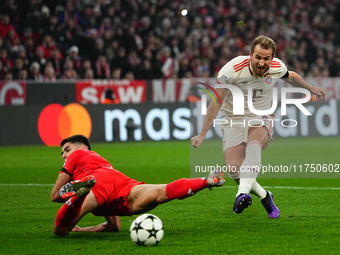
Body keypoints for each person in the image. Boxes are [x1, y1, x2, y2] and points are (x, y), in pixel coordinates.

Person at [191, 35, 326, 218]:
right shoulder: (231, 70)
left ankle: (241, 194)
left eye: (266, 58)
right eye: (258, 57)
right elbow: (216, 102)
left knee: (254, 143)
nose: (262, 63)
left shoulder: (277, 67)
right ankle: (265, 196)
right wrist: (202, 133)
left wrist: (310, 88)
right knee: (234, 170)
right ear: (250, 55)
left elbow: (291, 76)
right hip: (233, 118)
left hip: (261, 115)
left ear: (272, 58)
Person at [51, 135, 224, 236]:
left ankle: (79, 195)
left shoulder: (79, 154)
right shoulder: (101, 161)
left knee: (60, 229)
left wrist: (75, 203)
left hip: (94, 181)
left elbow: (55, 195)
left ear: (83, 148)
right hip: (119, 182)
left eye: (67, 149)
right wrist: (85, 230)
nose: (64, 155)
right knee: (162, 192)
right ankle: (206, 180)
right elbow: (114, 226)